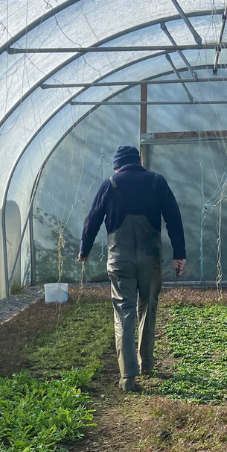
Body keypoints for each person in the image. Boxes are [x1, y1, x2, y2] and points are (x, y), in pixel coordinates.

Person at [78, 145, 186, 391]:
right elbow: (174, 217)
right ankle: (146, 362)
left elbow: (93, 218)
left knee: (124, 312)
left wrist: (85, 249)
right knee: (148, 306)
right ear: (139, 162)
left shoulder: (110, 184)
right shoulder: (157, 182)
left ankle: (128, 377)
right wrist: (179, 254)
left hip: (120, 260)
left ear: (117, 165)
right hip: (151, 258)